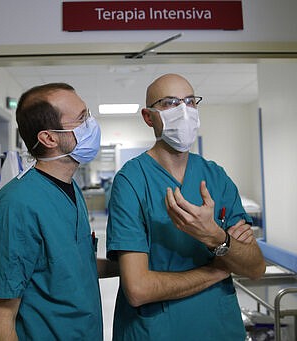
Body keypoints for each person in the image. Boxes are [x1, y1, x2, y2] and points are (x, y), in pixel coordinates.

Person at [106, 73, 266, 340]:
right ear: (149, 117)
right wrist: (219, 268)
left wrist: (214, 235)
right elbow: (138, 289)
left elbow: (255, 268)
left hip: (219, 328)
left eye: (190, 101)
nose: (184, 111)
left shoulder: (216, 176)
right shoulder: (131, 181)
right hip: (156, 331)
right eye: (170, 103)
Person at [0, 83, 117, 340]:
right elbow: (1, 320)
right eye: (81, 119)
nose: (91, 124)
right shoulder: (15, 206)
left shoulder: (70, 188)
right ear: (49, 138)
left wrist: (133, 265)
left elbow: (72, 267)